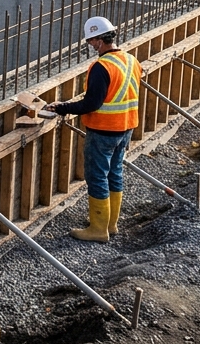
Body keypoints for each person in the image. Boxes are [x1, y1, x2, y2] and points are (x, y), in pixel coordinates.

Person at [43, 16, 141, 243]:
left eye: (90, 42)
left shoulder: (101, 66)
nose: (90, 46)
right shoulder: (130, 59)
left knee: (97, 176)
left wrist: (62, 108)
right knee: (114, 173)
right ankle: (111, 225)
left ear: (98, 40)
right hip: (126, 127)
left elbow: (92, 104)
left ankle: (98, 229)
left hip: (104, 129)